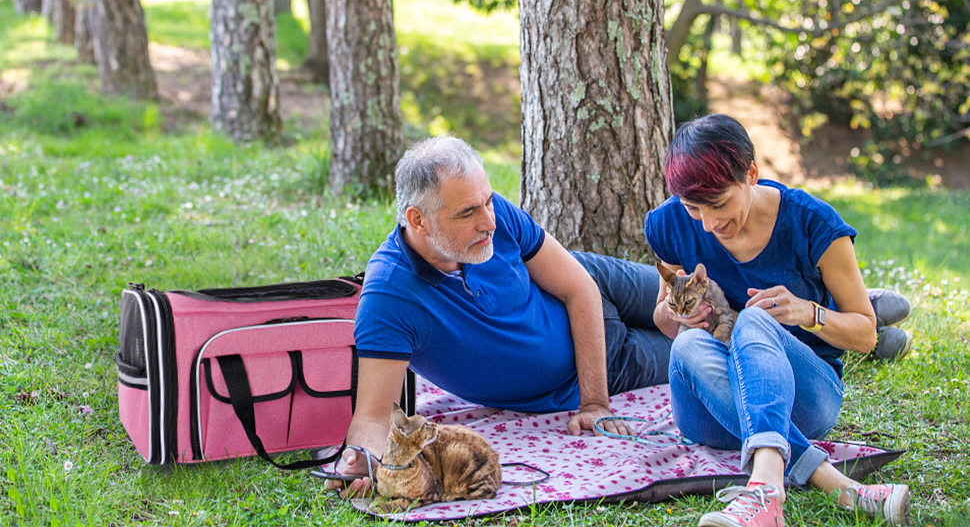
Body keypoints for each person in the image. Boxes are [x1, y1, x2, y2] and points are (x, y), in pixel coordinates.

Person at [325, 135, 672, 496]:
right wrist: (361, 458)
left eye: (487, 202)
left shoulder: (491, 213)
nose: (488, 221)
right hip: (602, 366)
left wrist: (597, 404)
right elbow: (372, 416)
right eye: (467, 213)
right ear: (419, 220)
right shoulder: (389, 295)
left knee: (706, 292)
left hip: (594, 287)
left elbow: (579, 288)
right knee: (701, 347)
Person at [645, 114, 911, 527]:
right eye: (694, 208)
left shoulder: (812, 224)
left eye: (719, 204)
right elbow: (664, 319)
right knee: (686, 344)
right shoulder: (670, 224)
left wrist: (808, 312)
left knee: (753, 321)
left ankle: (766, 487)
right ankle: (827, 481)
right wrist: (683, 318)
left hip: (805, 399)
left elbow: (864, 335)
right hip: (709, 411)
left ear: (751, 173)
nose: (710, 224)